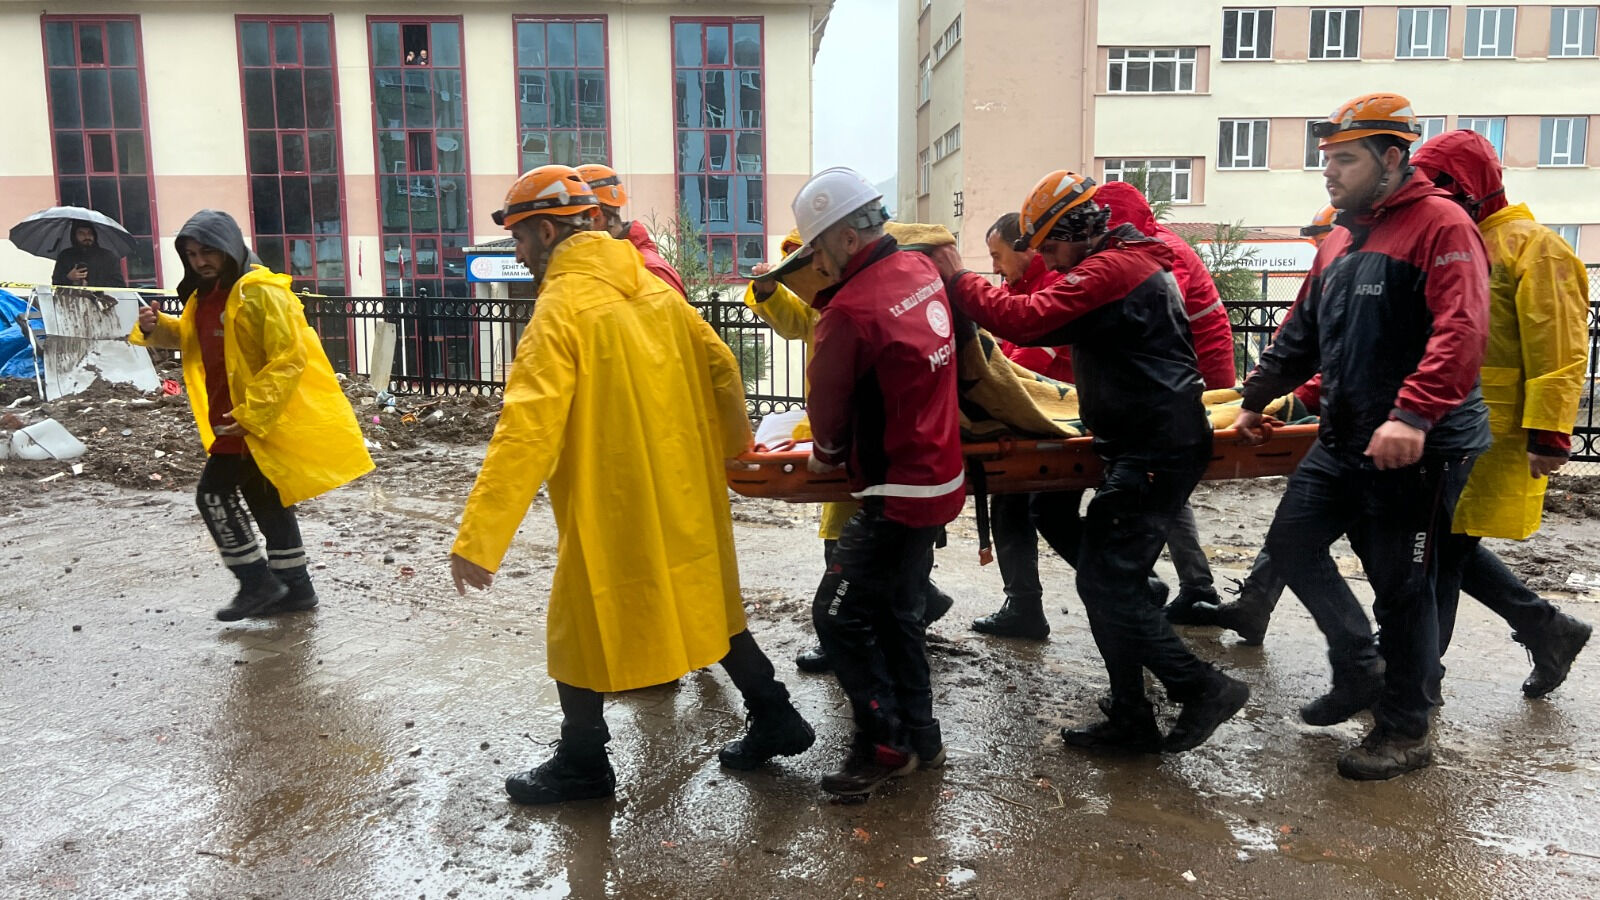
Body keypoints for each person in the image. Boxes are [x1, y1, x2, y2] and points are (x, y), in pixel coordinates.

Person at [449, 166, 813, 805]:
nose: (517, 252)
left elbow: (526, 428)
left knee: (577, 629)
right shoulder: (652, 289)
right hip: (682, 488)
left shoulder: (561, 310)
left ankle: (584, 762)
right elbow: (723, 368)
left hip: (611, 501)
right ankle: (775, 714)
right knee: (710, 605)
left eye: (517, 238)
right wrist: (736, 455)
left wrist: (480, 537)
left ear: (541, 231)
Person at [934, 171, 1250, 755]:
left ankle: (1200, 685)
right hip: (1141, 440)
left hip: (1155, 447)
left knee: (1106, 582)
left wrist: (956, 278)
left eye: (1051, 248)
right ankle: (1131, 706)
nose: (1048, 262)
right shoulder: (1125, 262)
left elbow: (1026, 319)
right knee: (1070, 536)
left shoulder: (1114, 270)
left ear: (1076, 230)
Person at [1234, 93, 1491, 780]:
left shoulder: (1442, 227)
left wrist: (1413, 415)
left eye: (1344, 159)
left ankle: (1406, 730)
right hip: (1347, 434)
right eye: (1327, 160)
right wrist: (1258, 398)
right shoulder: (1344, 238)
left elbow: (1460, 331)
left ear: (1391, 158)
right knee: (1290, 539)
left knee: (1401, 586)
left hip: (1421, 446)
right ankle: (1359, 667)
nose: (1330, 172)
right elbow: (1302, 332)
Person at [778, 167, 964, 797]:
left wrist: (823, 457)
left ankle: (884, 745)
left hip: (894, 489)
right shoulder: (919, 272)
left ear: (844, 239)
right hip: (939, 474)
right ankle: (921, 735)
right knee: (896, 614)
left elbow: (827, 426)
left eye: (818, 250)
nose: (818, 264)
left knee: (836, 617)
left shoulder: (850, 312)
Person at [1411, 129, 1593, 698]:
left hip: (1499, 433)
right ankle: (1546, 627)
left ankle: (1417, 680)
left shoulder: (1535, 247)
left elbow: (1560, 348)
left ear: (1471, 185)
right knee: (1443, 544)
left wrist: (1550, 434)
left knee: (1438, 551)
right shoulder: (1455, 238)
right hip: (1450, 424)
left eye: (1441, 183)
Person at [131, 210, 371, 620]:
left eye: (208, 251)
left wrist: (254, 415)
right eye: (191, 254)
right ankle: (296, 589)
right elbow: (194, 340)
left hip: (250, 419)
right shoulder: (203, 296)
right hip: (231, 415)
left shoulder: (261, 292)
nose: (200, 261)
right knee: (266, 500)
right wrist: (156, 329)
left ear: (230, 247)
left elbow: (288, 358)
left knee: (212, 495)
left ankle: (255, 581)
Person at [744, 233, 954, 672]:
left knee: (854, 540)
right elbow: (791, 323)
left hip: (871, 450)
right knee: (886, 542)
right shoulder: (829, 307)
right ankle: (907, 616)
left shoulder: (850, 308)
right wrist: (765, 293)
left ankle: (858, 631)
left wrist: (829, 444)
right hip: (872, 448)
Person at [1180, 205, 1335, 646]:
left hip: (1375, 423)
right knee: (1297, 521)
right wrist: (1255, 392)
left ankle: (1395, 664)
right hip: (1339, 414)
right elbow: (1291, 341)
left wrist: (1294, 399)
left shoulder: (1368, 266)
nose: (1321, 251)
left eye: (1322, 242)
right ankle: (1256, 606)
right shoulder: (1333, 270)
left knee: (1403, 546)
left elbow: (1357, 354)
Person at [1095, 180, 1234, 622]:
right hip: (1182, 378)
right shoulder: (1144, 247)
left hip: (1198, 383)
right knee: (1162, 490)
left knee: (1161, 486)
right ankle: (1183, 584)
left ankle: (1185, 586)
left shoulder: (1156, 254)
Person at [969, 212, 1070, 641]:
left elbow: (1027, 366)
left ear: (1025, 249)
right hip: (1039, 417)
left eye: (998, 256)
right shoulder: (1021, 288)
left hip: (1053, 418)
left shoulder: (1052, 290)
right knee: (1026, 511)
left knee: (1039, 513)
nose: (994, 267)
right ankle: (1023, 605)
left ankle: (1025, 606)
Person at [575, 163, 688, 297]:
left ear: (597, 217)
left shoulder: (649, 269)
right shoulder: (617, 265)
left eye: (576, 224)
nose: (574, 235)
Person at [52, 223, 125, 288]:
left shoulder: (108, 257)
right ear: (74, 236)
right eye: (81, 233)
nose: (87, 237)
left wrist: (90, 284)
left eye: (90, 233)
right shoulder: (65, 256)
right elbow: (55, 284)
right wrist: (69, 278)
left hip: (102, 301)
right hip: (71, 301)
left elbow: (118, 284)